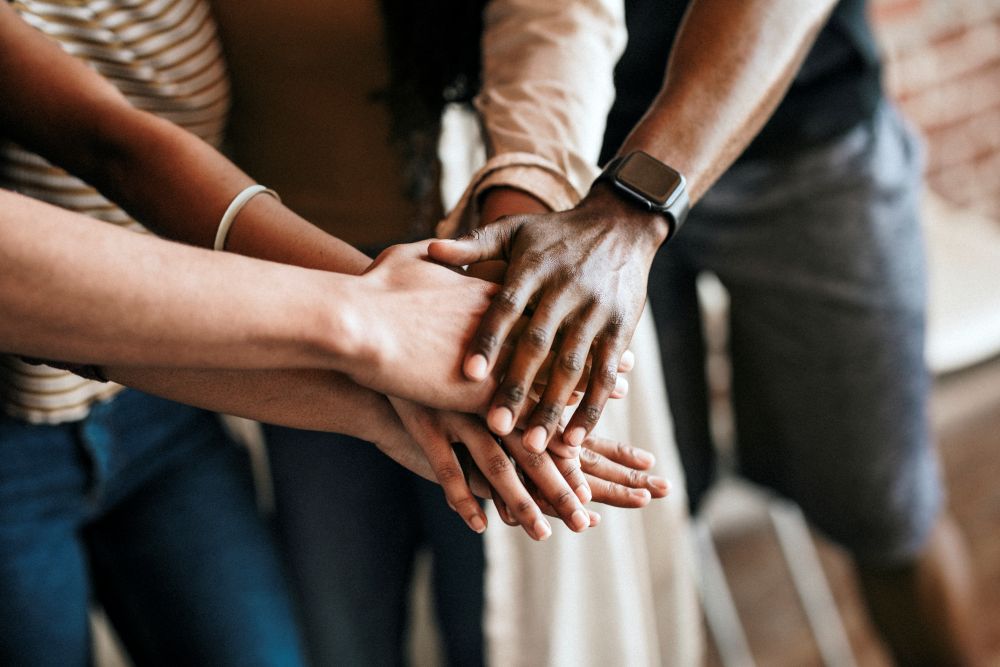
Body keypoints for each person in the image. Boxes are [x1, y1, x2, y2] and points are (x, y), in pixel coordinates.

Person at [0, 3, 663, 664]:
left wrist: (402, 339)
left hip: (168, 389)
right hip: (69, 401)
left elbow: (130, 147)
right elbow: (89, 188)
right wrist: (365, 319)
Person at [433, 0, 982, 664]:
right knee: (638, 508)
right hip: (575, 153)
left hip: (802, 134)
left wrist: (635, 206)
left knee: (885, 508)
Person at [209, 1, 695, 665]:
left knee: (520, 615)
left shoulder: (503, 277)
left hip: (490, 246)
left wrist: (504, 274)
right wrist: (367, 311)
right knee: (338, 619)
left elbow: (555, 21)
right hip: (280, 289)